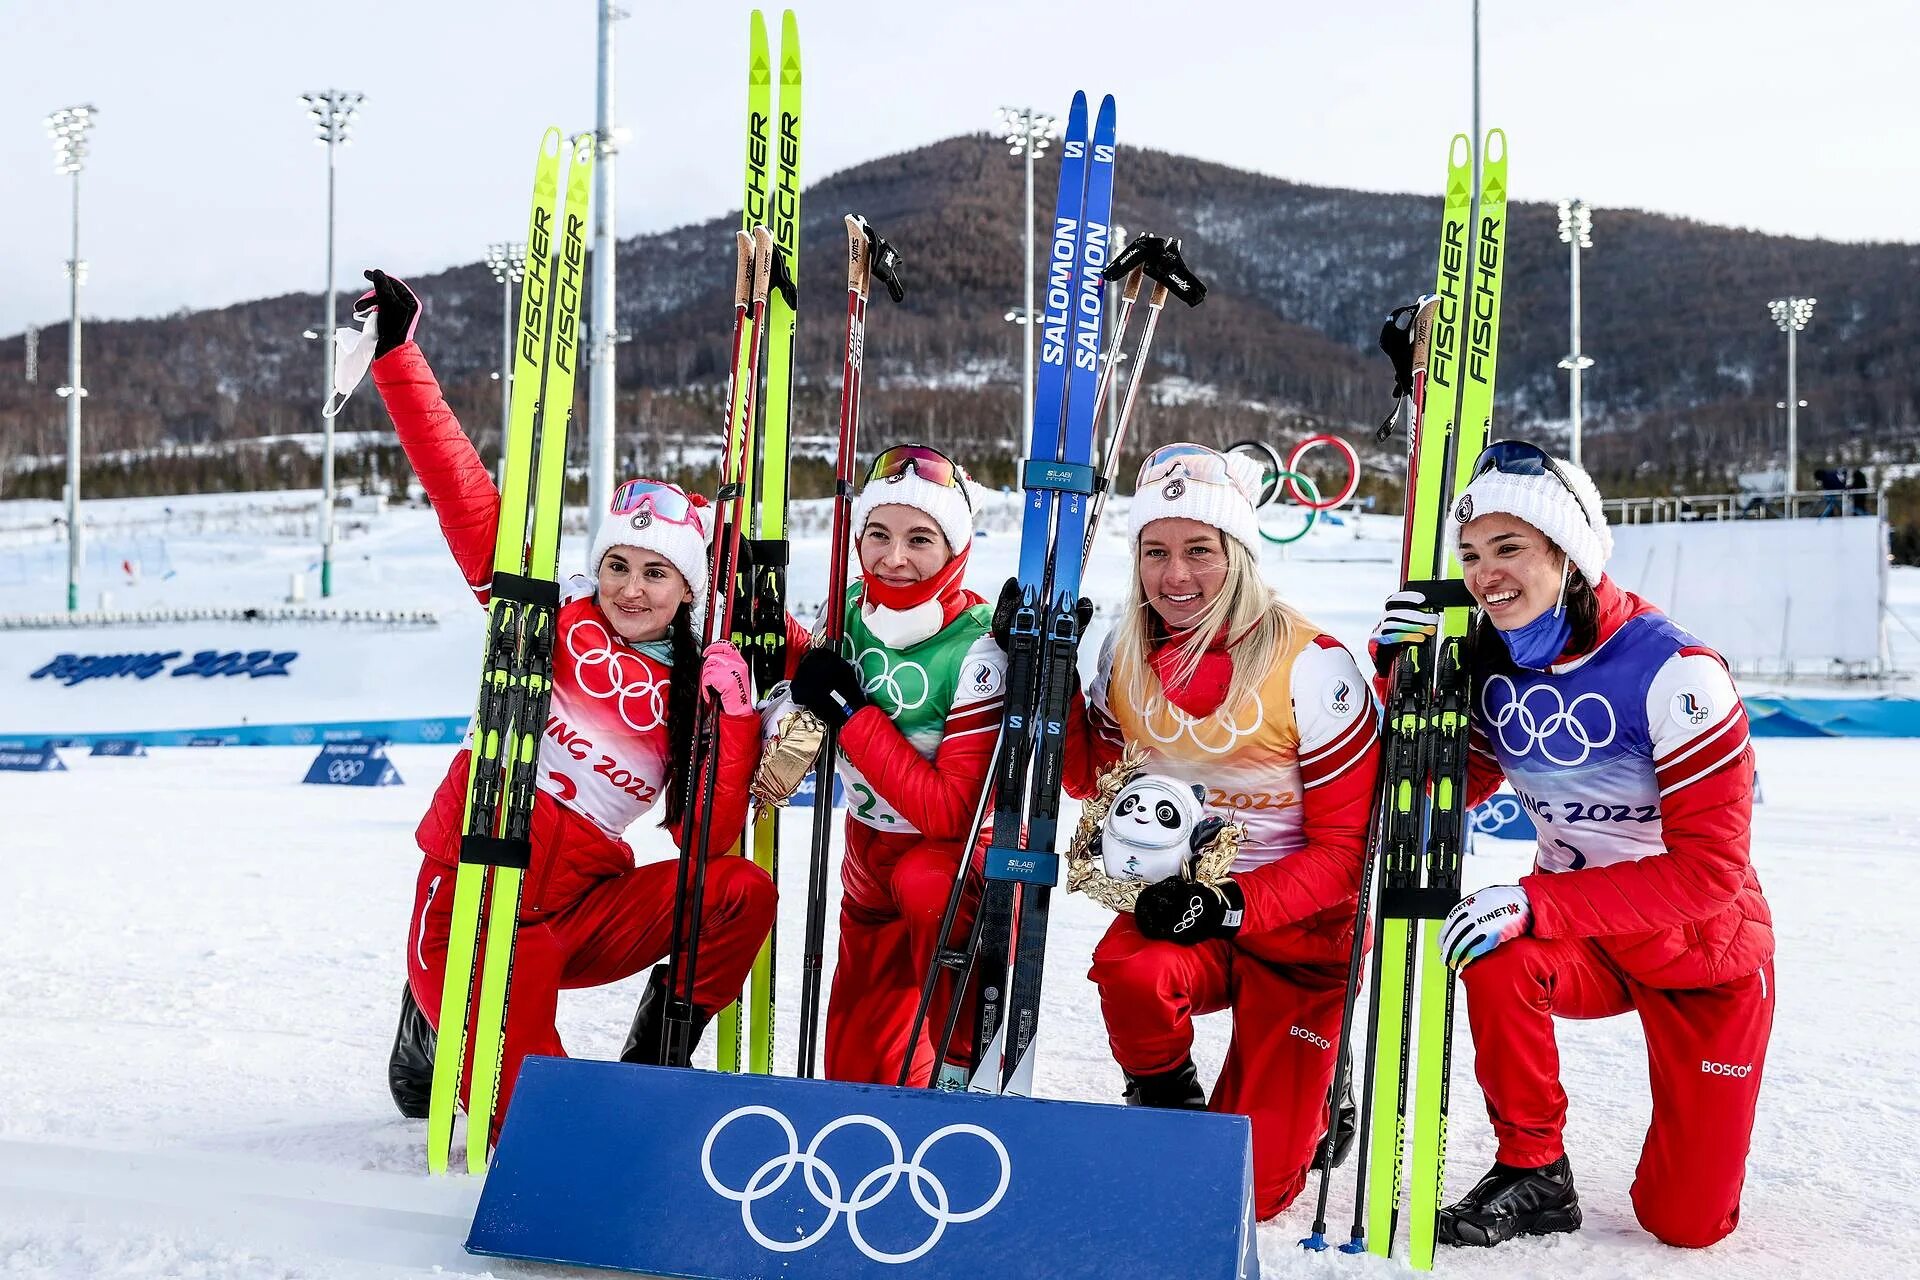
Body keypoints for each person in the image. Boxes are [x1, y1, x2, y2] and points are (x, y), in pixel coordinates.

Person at [363, 270, 774, 1132]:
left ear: (689, 589)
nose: (630, 588)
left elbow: (706, 839)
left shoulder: (695, 686)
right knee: (535, 1120)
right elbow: (463, 492)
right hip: (482, 886)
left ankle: (652, 1062)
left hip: (577, 913)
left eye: (656, 572)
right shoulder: (544, 621)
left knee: (739, 890)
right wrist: (400, 357)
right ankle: (430, 1019)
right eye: (619, 564)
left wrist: (733, 721)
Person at [1372, 440, 1772, 1250]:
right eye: (1474, 555)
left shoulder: (1676, 671)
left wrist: (1533, 899)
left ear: (1572, 553)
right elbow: (1446, 788)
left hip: (1700, 956)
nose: (1488, 574)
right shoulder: (1498, 665)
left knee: (1686, 1224)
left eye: (1511, 548)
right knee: (1488, 951)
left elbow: (1709, 873)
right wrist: (1404, 685)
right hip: (1584, 937)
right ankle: (1534, 1173)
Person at [1063, 442, 1381, 1221]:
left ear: (1238, 554)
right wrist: (1046, 678)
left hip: (1304, 941)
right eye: (1156, 552)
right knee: (1132, 972)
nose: (1176, 577)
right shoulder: (1124, 653)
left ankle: (1318, 1077)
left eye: (1199, 551)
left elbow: (1349, 858)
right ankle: (1166, 1097)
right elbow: (1089, 781)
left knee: (1253, 1195)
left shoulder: (1313, 666)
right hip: (1186, 918)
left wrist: (1229, 903)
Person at [780, 445, 1006, 1087]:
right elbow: (823, 672)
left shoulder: (978, 647)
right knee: (857, 1075)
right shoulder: (852, 605)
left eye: (920, 540)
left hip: (952, 864)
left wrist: (851, 712)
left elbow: (950, 813)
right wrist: (781, 635)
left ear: (955, 548)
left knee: (926, 882)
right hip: (868, 849)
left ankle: (966, 1065)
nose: (895, 558)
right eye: (877, 535)